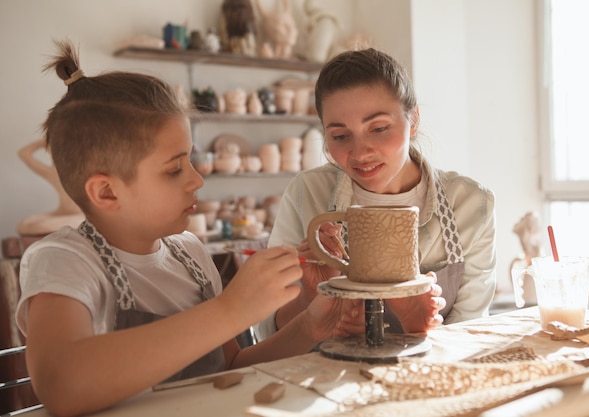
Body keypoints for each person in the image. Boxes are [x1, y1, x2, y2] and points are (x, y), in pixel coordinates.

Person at [15, 40, 363, 417]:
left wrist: (311, 325)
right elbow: (60, 386)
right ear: (107, 191)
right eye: (174, 169)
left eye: (191, 161)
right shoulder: (64, 260)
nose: (197, 180)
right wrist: (231, 309)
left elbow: (230, 369)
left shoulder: (190, 254)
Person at [254, 48, 496, 341]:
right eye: (340, 136)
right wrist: (310, 295)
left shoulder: (471, 204)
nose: (360, 152)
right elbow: (270, 332)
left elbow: (469, 335)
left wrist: (419, 321)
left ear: (414, 119)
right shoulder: (307, 194)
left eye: (379, 128)